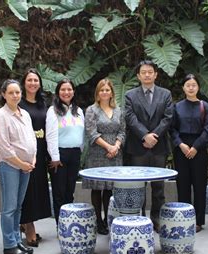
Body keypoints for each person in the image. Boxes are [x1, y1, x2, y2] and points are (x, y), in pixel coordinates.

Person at [124, 60, 173, 231]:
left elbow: (168, 117)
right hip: (138, 146)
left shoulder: (165, 94)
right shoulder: (130, 95)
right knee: (139, 185)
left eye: (150, 72)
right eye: (143, 72)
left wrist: (154, 135)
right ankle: (141, 219)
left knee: (158, 186)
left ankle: (157, 219)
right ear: (138, 76)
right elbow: (130, 118)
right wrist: (145, 135)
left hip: (158, 146)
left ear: (155, 74)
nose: (147, 75)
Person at [0, 79, 37, 254]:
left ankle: (17, 239)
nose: (15, 95)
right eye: (10, 93)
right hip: (9, 165)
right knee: (10, 207)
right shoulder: (1, 115)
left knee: (18, 206)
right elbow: (4, 147)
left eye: (17, 92)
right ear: (3, 94)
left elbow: (32, 138)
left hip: (26, 166)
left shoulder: (24, 113)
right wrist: (21, 163)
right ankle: (9, 245)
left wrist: (32, 159)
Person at [170, 74, 208, 232]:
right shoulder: (177, 106)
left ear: (198, 87)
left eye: (194, 85)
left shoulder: (205, 107)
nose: (191, 87)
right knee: (183, 184)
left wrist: (195, 147)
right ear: (183, 87)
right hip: (181, 148)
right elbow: (172, 128)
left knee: (199, 184)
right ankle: (184, 216)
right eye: (188, 85)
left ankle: (199, 221)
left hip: (199, 149)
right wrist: (180, 144)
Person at [83, 79, 125, 235]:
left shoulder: (119, 110)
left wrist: (116, 146)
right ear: (97, 93)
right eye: (102, 90)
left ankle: (108, 220)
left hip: (115, 154)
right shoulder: (91, 110)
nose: (105, 92)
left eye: (107, 90)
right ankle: (98, 221)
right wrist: (108, 147)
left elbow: (122, 131)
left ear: (112, 93)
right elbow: (91, 133)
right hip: (97, 154)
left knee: (109, 189)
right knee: (97, 188)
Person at [19, 69, 51, 247]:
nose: (32, 83)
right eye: (29, 80)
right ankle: (28, 226)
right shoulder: (19, 103)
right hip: (25, 152)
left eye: (35, 80)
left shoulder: (42, 103)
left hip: (41, 150)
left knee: (37, 188)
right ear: (24, 83)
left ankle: (26, 222)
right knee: (27, 189)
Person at [46, 79, 84, 224]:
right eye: (63, 89)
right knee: (59, 192)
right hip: (59, 155)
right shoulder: (53, 111)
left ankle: (69, 222)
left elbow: (81, 133)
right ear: (58, 92)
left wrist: (80, 151)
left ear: (73, 92)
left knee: (70, 191)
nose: (66, 92)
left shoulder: (78, 111)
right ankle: (60, 225)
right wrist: (54, 156)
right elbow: (50, 135)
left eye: (69, 89)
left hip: (75, 154)